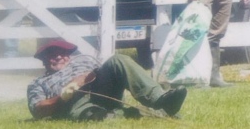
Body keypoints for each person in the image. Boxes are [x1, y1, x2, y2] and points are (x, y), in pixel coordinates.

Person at [27, 39, 187, 121]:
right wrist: (63, 96)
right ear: (43, 60)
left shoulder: (84, 61)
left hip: (99, 87)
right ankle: (155, 114)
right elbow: (38, 109)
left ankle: (160, 99)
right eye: (53, 54)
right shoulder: (38, 83)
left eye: (62, 53)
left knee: (118, 59)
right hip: (76, 104)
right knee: (97, 117)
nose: (59, 57)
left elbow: (102, 70)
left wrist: (84, 78)